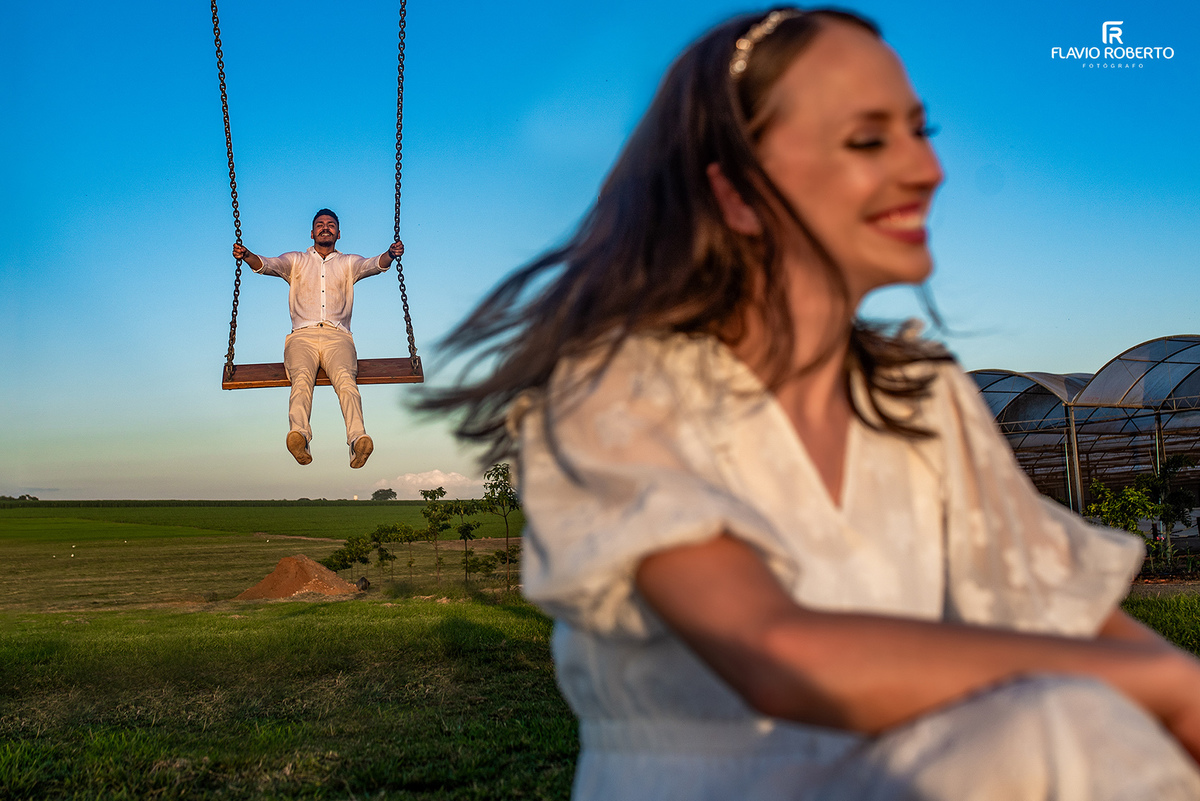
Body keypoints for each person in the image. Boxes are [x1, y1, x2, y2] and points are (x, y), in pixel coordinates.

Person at [425, 7, 1200, 800]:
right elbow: (774, 649)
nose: (927, 170)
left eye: (920, 130)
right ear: (736, 192)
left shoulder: (922, 391)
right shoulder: (616, 392)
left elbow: (1058, 604)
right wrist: (1149, 688)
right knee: (1060, 721)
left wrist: (1175, 687)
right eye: (869, 140)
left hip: (932, 773)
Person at [233, 209, 403, 469]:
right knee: (301, 380)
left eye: (331, 225)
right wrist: (247, 256)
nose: (326, 228)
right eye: (320, 225)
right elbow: (267, 265)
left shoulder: (348, 263)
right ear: (312, 233)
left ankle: (358, 441)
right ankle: (299, 436)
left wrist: (390, 255)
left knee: (346, 382)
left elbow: (373, 265)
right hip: (303, 336)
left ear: (338, 233)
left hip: (338, 337)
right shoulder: (296, 260)